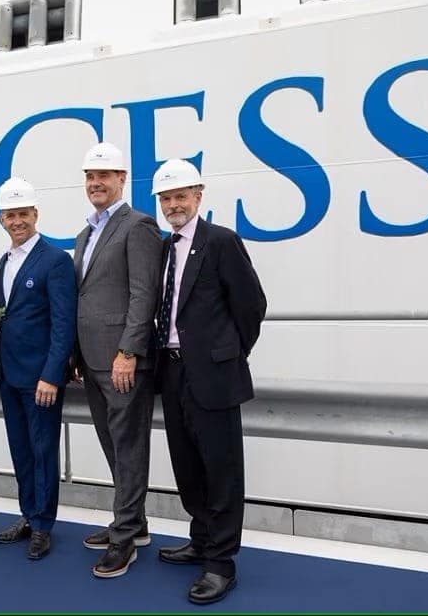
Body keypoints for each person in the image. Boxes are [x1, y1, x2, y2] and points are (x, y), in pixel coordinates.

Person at [151, 159, 267, 605]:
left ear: (198, 196)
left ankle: (221, 563)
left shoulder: (221, 241)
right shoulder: (165, 248)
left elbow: (251, 305)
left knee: (221, 470)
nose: (173, 205)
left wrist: (229, 353)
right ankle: (201, 539)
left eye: (180, 196)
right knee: (188, 465)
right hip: (172, 371)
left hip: (213, 374)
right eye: (166, 198)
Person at [72, 142, 163, 578]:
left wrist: (129, 351)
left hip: (122, 361)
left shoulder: (138, 225)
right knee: (113, 445)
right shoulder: (85, 234)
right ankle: (135, 523)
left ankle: (124, 537)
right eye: (90, 176)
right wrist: (76, 354)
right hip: (92, 361)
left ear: (122, 179)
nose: (96, 183)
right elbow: (85, 296)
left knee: (128, 447)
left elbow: (145, 294)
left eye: (104, 175)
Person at [0, 177, 77, 560]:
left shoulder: (55, 260)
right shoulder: (5, 261)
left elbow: (63, 323)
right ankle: (28, 514)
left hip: (40, 378)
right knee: (21, 451)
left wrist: (52, 375)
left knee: (43, 452)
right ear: (2, 219)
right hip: (9, 375)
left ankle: (43, 524)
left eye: (22, 214)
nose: (17, 221)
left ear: (35, 214)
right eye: (10, 215)